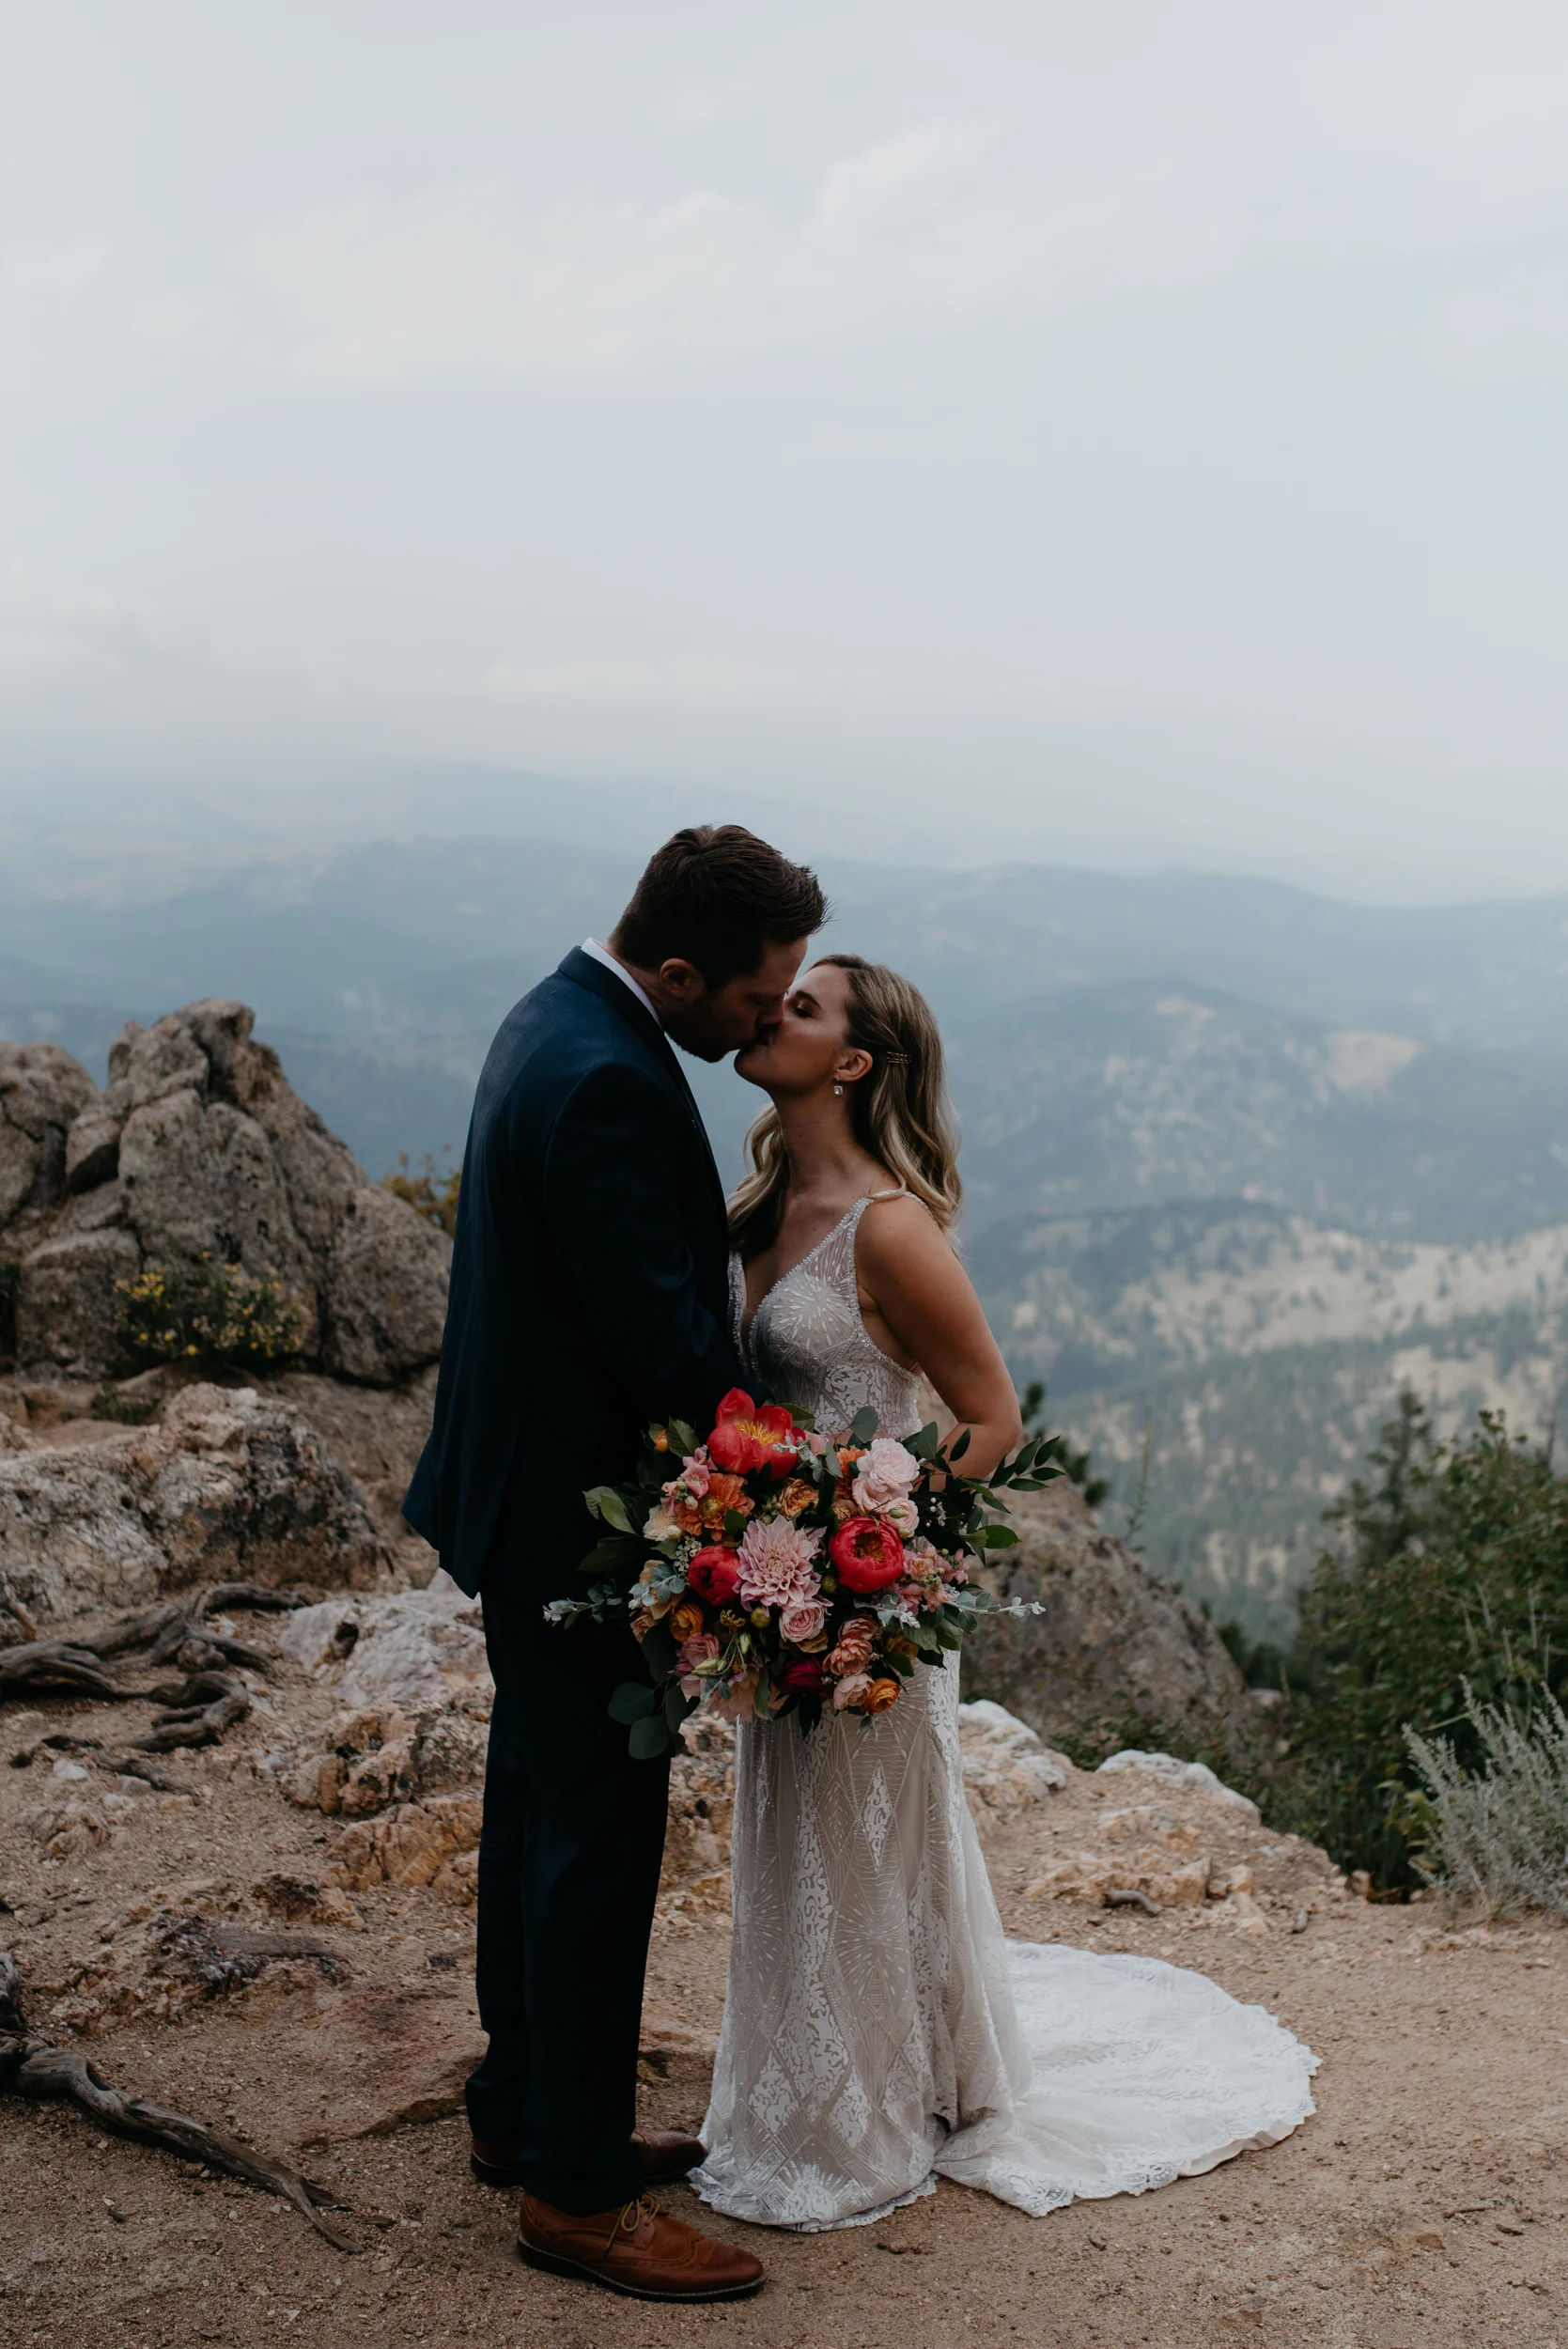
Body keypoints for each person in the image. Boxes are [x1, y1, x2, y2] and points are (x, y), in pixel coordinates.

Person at [691, 953, 1318, 2231]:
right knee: (791, 1840)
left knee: (862, 1850)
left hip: (868, 1604)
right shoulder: (758, 1204)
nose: (771, 1014)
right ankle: (805, 2091)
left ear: (854, 1062)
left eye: (802, 1009)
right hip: (771, 1592)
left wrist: (880, 1549)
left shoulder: (891, 1227)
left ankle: (861, 2123)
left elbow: (989, 1420)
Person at [403, 826, 825, 2301]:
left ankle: (525, 2111)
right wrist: (792, 1499)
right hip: (575, 1524)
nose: (767, 1024)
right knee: (593, 1843)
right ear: (677, 970)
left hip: (516, 1500)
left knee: (534, 1810)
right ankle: (574, 2196)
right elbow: (669, 1350)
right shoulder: (602, 1079)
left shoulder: (558, 1011)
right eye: (758, 998)